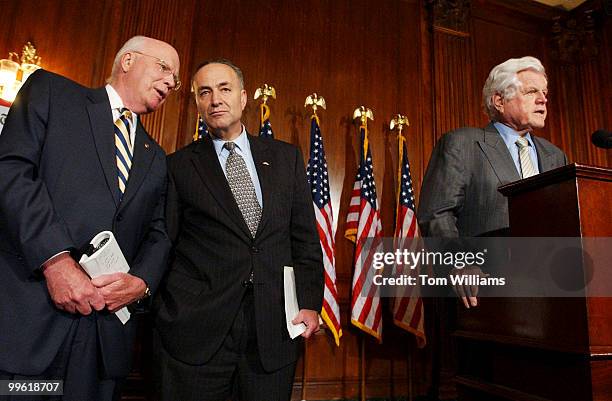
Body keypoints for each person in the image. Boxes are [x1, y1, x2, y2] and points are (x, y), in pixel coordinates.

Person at [0, 35, 178, 400]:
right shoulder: (52, 92)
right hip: (30, 324)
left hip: (101, 342)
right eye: (164, 68)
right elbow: (12, 171)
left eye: (175, 80)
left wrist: (141, 282)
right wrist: (54, 261)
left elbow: (159, 233)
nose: (171, 83)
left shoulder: (156, 156)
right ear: (127, 61)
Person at [153, 59, 324, 401]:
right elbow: (165, 243)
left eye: (224, 89)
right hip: (199, 330)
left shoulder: (285, 158)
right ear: (198, 105)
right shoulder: (178, 166)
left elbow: (304, 238)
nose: (215, 99)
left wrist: (308, 302)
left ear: (244, 98)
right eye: (205, 92)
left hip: (272, 328)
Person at [417, 56, 568, 307]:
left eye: (544, 92)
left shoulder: (555, 155)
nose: (543, 99)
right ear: (499, 100)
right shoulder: (464, 143)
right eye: (531, 91)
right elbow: (436, 214)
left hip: (552, 294)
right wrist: (460, 263)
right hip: (485, 292)